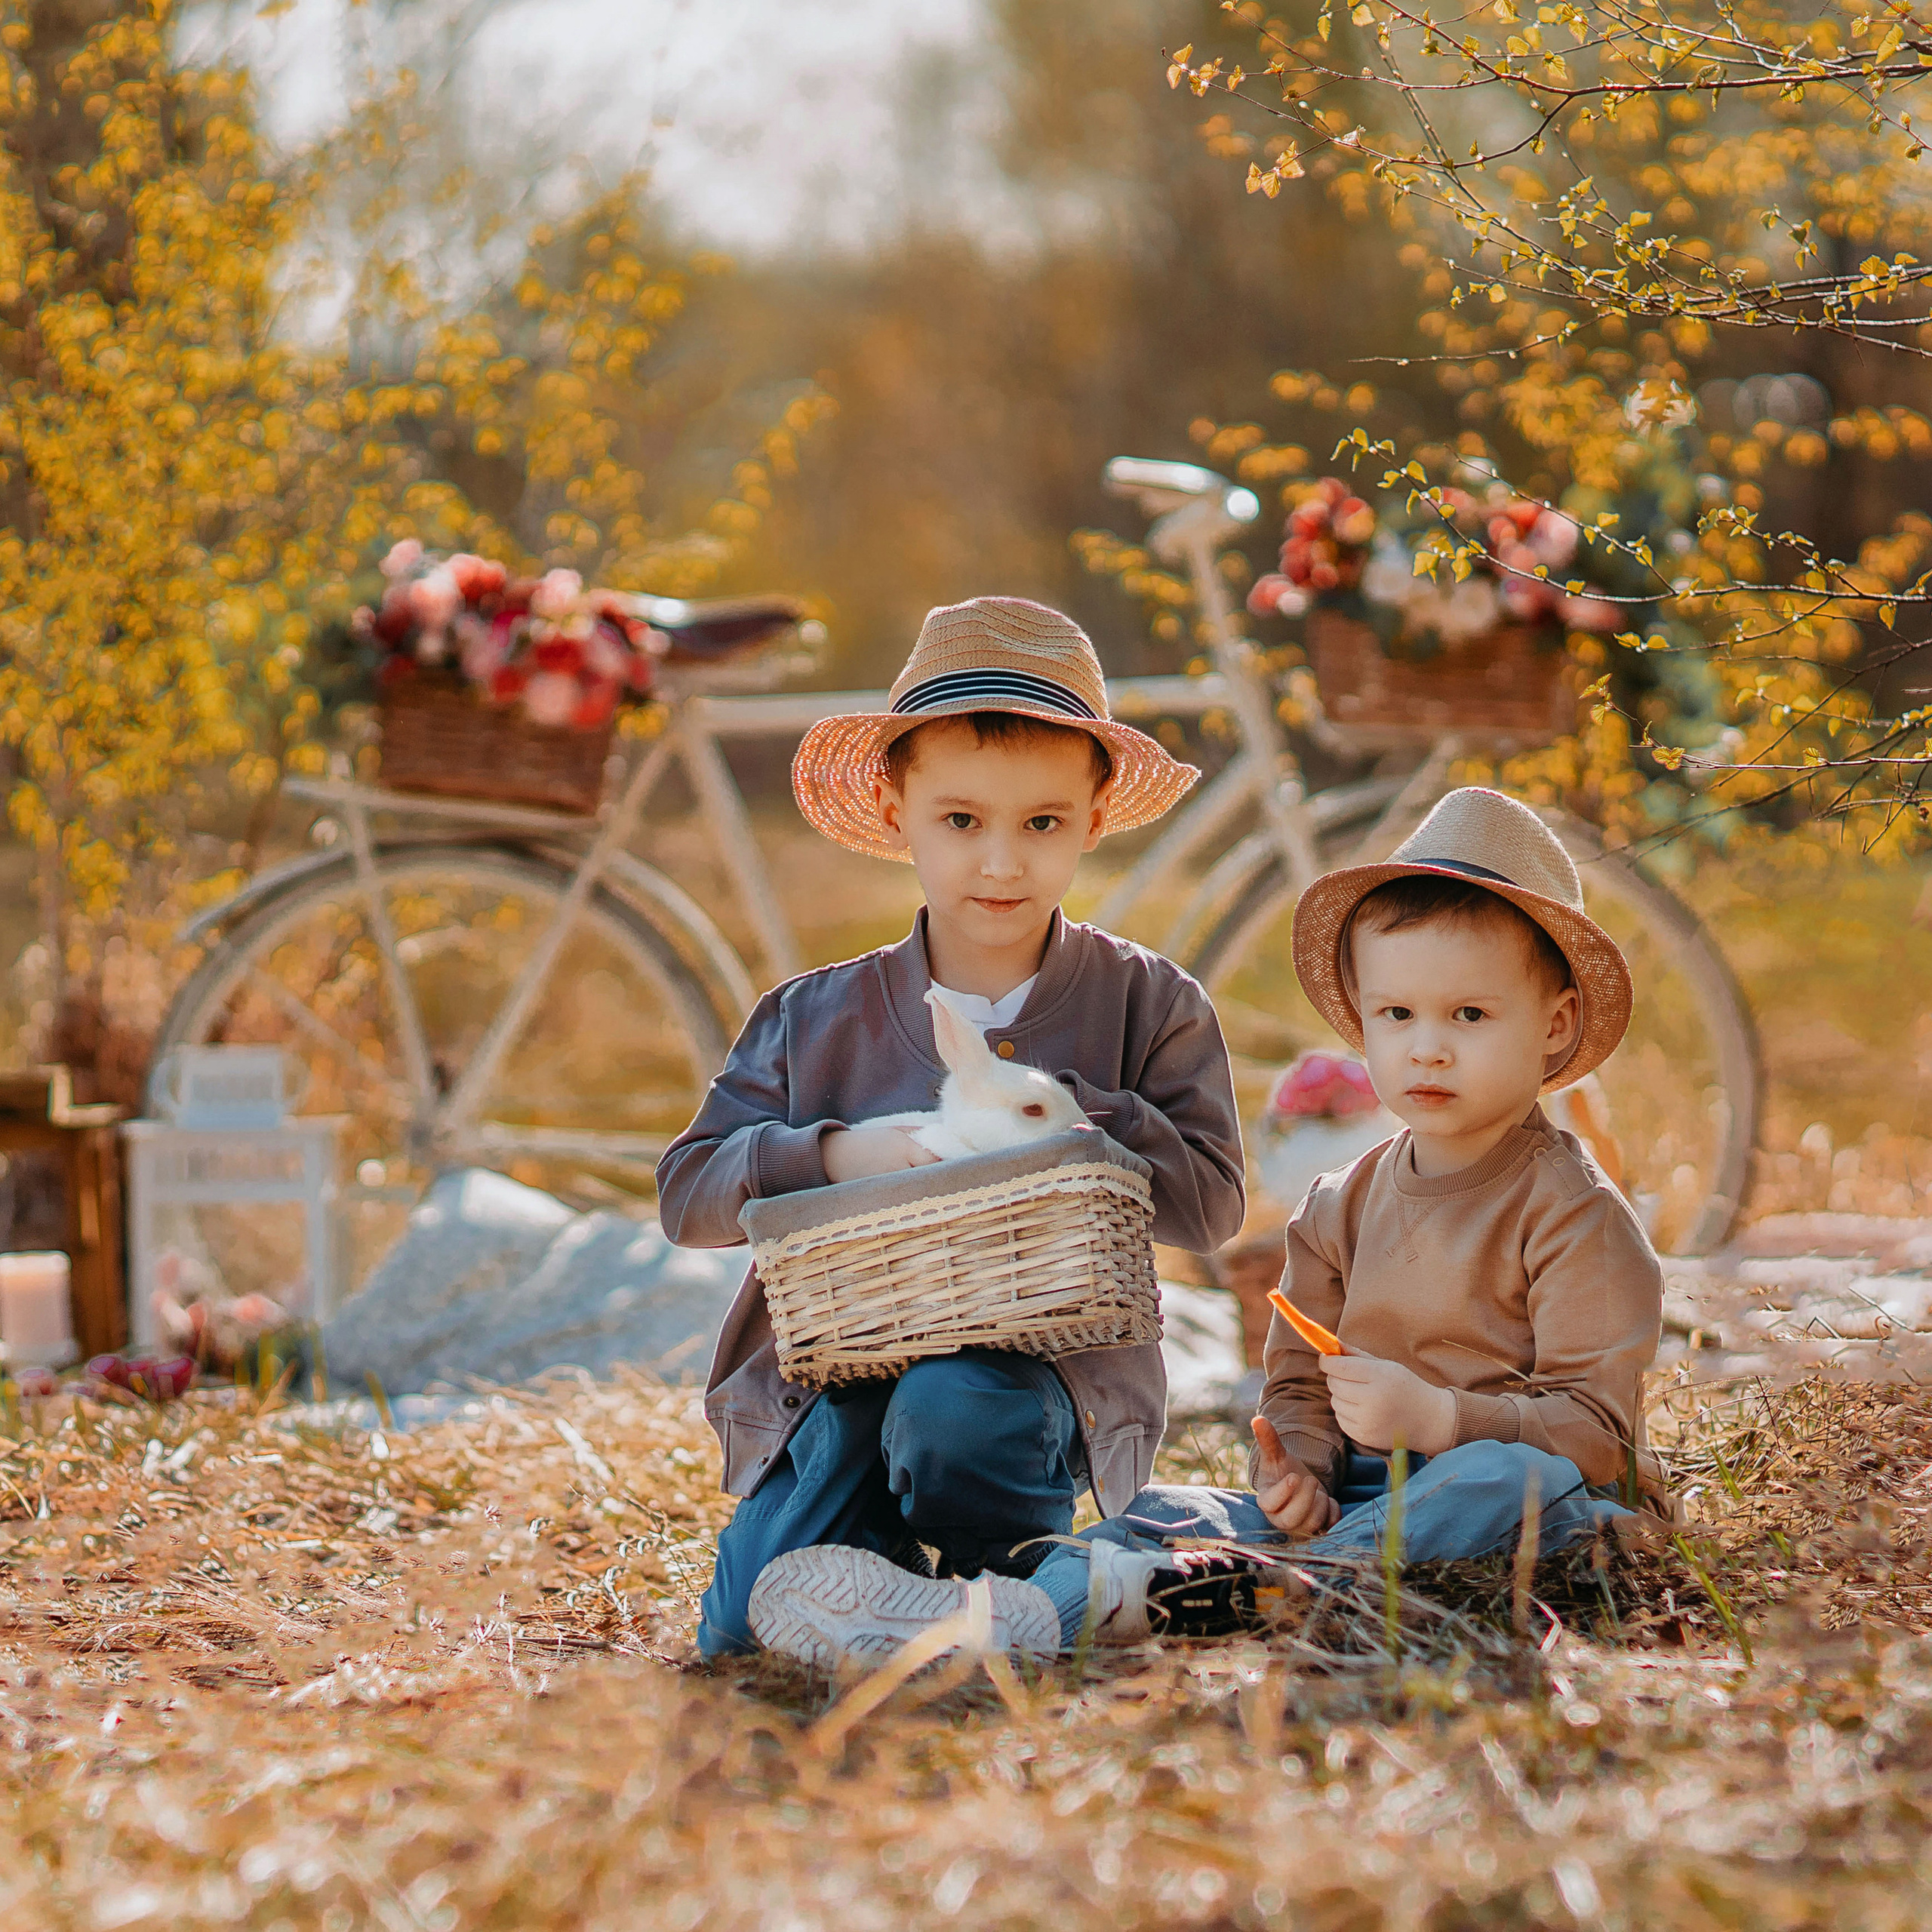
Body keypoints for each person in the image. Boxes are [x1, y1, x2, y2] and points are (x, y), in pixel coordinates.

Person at [749, 785, 1666, 1661]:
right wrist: (1298, 1468)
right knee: (1157, 1512)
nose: (1426, 1046)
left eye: (1469, 1014)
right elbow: (1299, 1382)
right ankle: (1019, 1605)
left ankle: (1258, 1587)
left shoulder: (1573, 1213)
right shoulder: (1339, 1204)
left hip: (1513, 1504)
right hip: (1357, 1505)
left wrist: (1441, 1416)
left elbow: (1596, 1433)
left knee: (1511, 1481)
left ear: (1555, 1026)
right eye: (1396, 1013)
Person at [656, 595, 1245, 1659]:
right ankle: (929, 1588)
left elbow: (1211, 1208)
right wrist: (836, 1153)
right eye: (961, 821)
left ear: (1095, 820)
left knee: (954, 1408)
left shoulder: (1148, 1004)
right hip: (833, 1382)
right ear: (897, 813)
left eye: (1042, 824)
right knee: (743, 1627)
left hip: (1029, 1385)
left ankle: (1011, 1568)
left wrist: (1073, 1114)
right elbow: (687, 1195)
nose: (1001, 864)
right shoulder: (813, 1016)